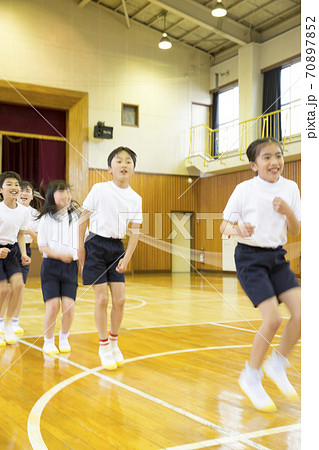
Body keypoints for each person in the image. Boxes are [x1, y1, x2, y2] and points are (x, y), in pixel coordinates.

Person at [220, 137, 301, 412]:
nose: (274, 161)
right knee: (274, 318)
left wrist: (288, 210)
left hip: (277, 258)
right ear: (253, 165)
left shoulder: (291, 188)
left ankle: (277, 364)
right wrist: (237, 230)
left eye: (278, 155)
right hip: (250, 259)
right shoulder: (244, 189)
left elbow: (295, 230)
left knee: (303, 314)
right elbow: (223, 226)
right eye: (266, 157)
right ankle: (251, 375)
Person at [78, 146, 142, 370]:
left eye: (128, 162)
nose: (124, 165)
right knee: (102, 299)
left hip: (116, 247)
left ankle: (114, 343)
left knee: (120, 300)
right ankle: (103, 345)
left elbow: (135, 231)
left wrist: (127, 257)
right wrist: (80, 248)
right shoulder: (99, 189)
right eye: (118, 161)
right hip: (95, 244)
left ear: (133, 169)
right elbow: (82, 219)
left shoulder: (136, 198)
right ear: (109, 168)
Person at [37, 180, 80, 355]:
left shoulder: (77, 216)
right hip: (51, 267)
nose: (66, 195)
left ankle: (64, 336)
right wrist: (60, 255)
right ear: (51, 196)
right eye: (61, 192)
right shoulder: (45, 219)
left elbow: (82, 242)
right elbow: (43, 247)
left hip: (71, 267)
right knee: (53, 306)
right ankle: (48, 340)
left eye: (68, 192)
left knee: (69, 306)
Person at [0, 181, 41, 335]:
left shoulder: (33, 214)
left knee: (19, 286)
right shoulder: (6, 209)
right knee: (5, 288)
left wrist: (28, 233)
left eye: (27, 190)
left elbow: (33, 235)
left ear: (32, 195)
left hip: (23, 249)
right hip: (8, 247)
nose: (23, 192)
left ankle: (13, 321)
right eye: (20, 189)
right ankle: (2, 321)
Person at [0, 171, 31, 346]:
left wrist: (24, 253)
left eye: (16, 185)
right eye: (9, 184)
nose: (14, 188)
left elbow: (20, 234)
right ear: (1, 190)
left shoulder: (24, 212)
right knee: (3, 289)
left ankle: (8, 323)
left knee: (18, 285)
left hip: (12, 250)